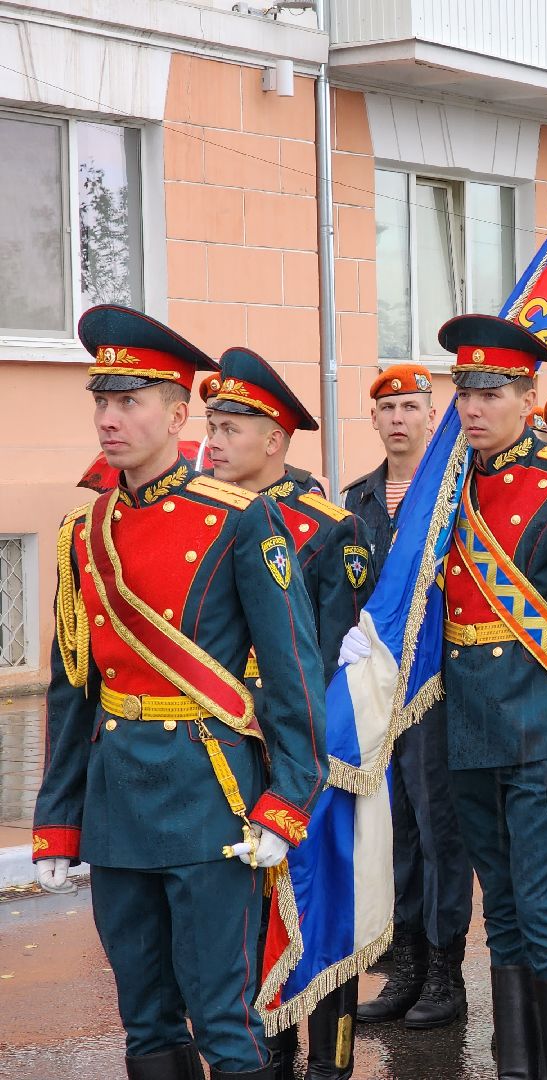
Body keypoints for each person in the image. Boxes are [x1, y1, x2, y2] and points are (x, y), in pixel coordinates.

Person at [33, 304, 328, 1080]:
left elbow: (294, 671)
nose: (109, 418)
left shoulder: (243, 519)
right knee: (145, 1019)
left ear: (176, 412)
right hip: (118, 794)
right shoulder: (81, 533)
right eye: (102, 401)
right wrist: (59, 818)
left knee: (224, 1017)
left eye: (129, 402)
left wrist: (288, 798)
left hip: (209, 792)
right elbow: (74, 687)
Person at [356, 314, 547, 1079]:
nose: (472, 407)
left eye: (492, 391)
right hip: (463, 725)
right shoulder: (443, 490)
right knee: (503, 914)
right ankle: (517, 1069)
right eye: (464, 391)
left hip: (544, 726)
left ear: (528, 395)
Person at [204, 347, 375, 1078]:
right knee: (249, 915)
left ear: (274, 440)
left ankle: (329, 1062)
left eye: (230, 428)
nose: (212, 441)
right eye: (210, 424)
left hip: (306, 750)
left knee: (319, 905)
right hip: (224, 744)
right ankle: (264, 1054)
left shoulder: (331, 530)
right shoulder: (207, 515)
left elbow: (329, 661)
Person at [344, 366, 473, 1032]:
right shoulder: (357, 500)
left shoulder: (455, 494)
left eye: (410, 407)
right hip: (377, 691)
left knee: (438, 833)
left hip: (438, 691)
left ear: (431, 416)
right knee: (391, 829)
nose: (398, 418)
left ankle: (446, 974)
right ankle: (406, 968)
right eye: (386, 407)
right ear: (374, 421)